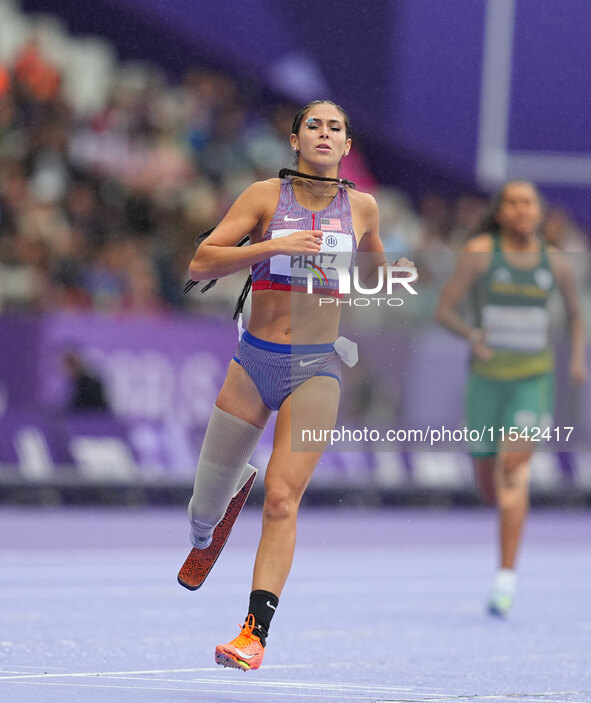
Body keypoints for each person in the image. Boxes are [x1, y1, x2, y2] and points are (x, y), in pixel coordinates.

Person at [187, 100, 415, 670]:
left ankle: (253, 634)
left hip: (317, 367)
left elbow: (375, 276)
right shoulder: (264, 197)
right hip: (252, 362)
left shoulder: (363, 208)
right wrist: (271, 247)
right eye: (313, 124)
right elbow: (199, 263)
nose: (323, 133)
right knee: (200, 517)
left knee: (284, 497)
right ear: (295, 141)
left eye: (335, 127)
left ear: (346, 147)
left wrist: (386, 272)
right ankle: (218, 508)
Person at [435, 181, 587, 617]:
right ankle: (496, 502)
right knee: (489, 484)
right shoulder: (482, 252)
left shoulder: (555, 263)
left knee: (513, 468)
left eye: (529, 203)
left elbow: (577, 317)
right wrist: (472, 335)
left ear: (540, 213)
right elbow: (444, 310)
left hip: (532, 380)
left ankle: (505, 580)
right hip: (486, 381)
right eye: (513, 203)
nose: (522, 210)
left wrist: (576, 360)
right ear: (501, 213)